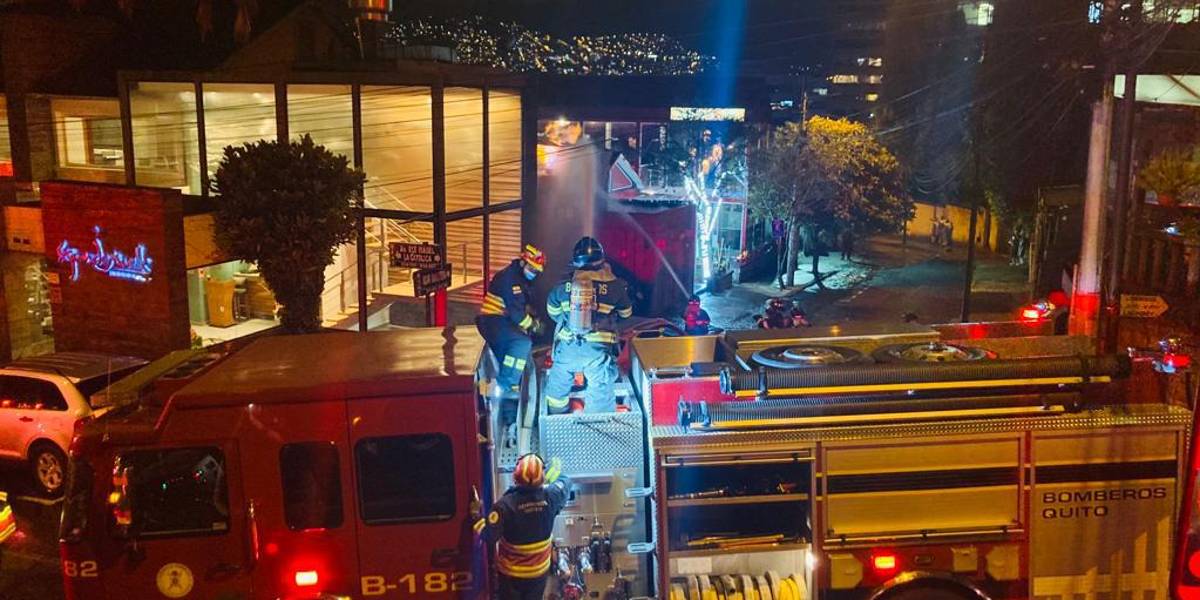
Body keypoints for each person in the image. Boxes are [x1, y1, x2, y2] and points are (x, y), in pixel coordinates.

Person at [544, 237, 632, 414]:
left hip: (567, 348)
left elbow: (553, 312)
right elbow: (626, 314)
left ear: (576, 262)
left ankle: (557, 416)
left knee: (557, 385)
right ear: (601, 260)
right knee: (600, 388)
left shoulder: (562, 287)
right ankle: (597, 425)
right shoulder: (615, 287)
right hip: (597, 351)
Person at [473, 454, 571, 600]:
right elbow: (566, 482)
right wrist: (553, 475)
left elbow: (488, 536)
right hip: (539, 574)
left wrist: (476, 516)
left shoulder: (504, 506)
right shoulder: (552, 497)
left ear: (515, 477)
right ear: (542, 478)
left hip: (511, 576)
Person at [476, 244, 546, 399]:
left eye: (536, 271)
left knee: (510, 349)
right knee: (522, 342)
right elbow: (516, 313)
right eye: (532, 268)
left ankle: (502, 385)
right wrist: (534, 325)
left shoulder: (518, 278)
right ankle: (507, 383)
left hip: (499, 322)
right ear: (523, 262)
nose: (533, 273)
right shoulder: (510, 279)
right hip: (492, 321)